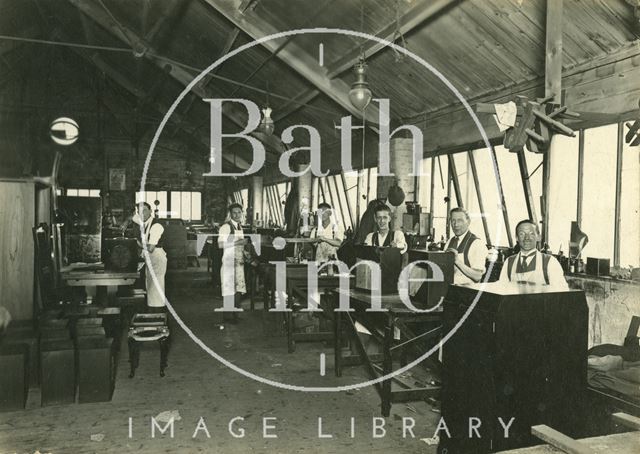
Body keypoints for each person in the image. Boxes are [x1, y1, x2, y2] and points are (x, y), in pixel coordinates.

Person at [499, 219, 568, 288]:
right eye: (522, 234)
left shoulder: (550, 262)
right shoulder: (509, 262)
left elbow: (561, 294)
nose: (526, 238)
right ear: (517, 238)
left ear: (538, 237)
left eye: (531, 233)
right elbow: (501, 289)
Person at [131, 202, 167, 310]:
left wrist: (137, 243)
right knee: (150, 284)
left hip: (157, 256)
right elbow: (134, 217)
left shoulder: (156, 225)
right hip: (150, 257)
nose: (142, 214)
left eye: (145, 210)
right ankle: (152, 309)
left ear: (151, 211)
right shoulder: (145, 221)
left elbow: (151, 248)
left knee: (156, 285)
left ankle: (157, 310)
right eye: (139, 211)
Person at [218, 203, 247, 319]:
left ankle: (235, 313)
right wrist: (238, 243)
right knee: (229, 288)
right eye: (234, 212)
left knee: (238, 288)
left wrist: (245, 253)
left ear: (242, 213)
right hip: (229, 261)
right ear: (230, 214)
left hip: (239, 261)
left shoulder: (240, 227)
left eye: (239, 212)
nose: (237, 215)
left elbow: (240, 246)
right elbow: (220, 245)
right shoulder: (226, 227)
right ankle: (228, 316)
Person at [445, 207, 487, 284]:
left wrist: (457, 261)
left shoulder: (477, 243)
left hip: (467, 291)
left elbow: (477, 276)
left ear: (468, 222)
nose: (456, 224)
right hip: (449, 287)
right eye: (453, 220)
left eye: (460, 220)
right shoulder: (449, 242)